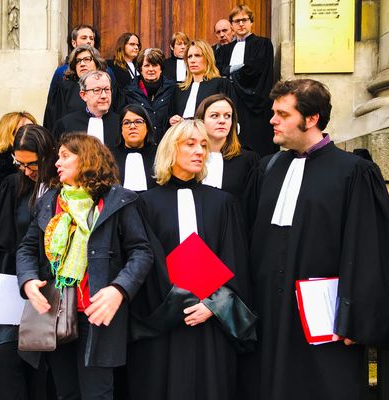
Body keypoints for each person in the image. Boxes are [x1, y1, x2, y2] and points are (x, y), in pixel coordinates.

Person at [242, 79, 389, 400]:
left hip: (326, 323)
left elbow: (370, 250)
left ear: (311, 118)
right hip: (270, 316)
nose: (272, 120)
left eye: (282, 114)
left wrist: (357, 319)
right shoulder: (267, 168)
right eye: (273, 112)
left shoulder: (353, 172)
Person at [16, 134, 153, 400]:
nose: (57, 162)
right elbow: (27, 248)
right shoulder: (50, 200)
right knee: (66, 393)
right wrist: (28, 280)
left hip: (98, 314)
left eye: (65, 155)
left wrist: (119, 289)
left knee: (97, 394)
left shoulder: (118, 200)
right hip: (55, 312)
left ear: (87, 158)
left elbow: (141, 252)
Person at [127, 119, 253, 400]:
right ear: (171, 150)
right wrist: (177, 303)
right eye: (191, 144)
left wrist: (213, 305)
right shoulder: (145, 204)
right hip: (163, 322)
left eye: (204, 145)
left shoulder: (223, 203)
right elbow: (146, 262)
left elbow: (235, 261)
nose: (200, 151)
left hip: (212, 320)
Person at [0, 125, 58, 400]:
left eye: (32, 164)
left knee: (43, 361)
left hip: (55, 284)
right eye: (20, 163)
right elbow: (6, 237)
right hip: (18, 280)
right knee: (3, 353)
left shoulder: (63, 186)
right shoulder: (16, 184)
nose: (26, 170)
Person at [216, 5, 276, 156]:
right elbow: (219, 69)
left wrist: (231, 73)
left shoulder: (263, 44)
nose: (241, 24)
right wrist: (239, 68)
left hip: (255, 102)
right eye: (237, 21)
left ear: (251, 22)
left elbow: (255, 70)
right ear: (232, 25)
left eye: (244, 20)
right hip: (232, 100)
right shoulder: (225, 50)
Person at [0, 111, 37, 246]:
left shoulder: (46, 165)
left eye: (33, 129)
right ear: (8, 135)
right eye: (22, 130)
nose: (30, 134)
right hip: (9, 248)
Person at [194, 94, 259, 198]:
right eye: (214, 115)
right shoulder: (190, 157)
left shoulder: (248, 160)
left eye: (227, 116)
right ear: (201, 120)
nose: (222, 121)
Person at [44, 45, 120, 130]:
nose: (82, 64)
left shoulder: (107, 83)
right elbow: (55, 120)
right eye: (78, 61)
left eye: (87, 59)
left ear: (96, 62)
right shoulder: (65, 87)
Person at [169, 40, 233, 126]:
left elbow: (229, 117)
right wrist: (172, 120)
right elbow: (170, 116)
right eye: (189, 57)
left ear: (207, 58)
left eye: (197, 55)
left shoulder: (221, 84)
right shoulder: (179, 89)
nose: (192, 60)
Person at [52, 70, 120, 151]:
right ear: (83, 95)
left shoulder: (121, 123)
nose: (104, 96)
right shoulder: (66, 124)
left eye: (107, 89)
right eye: (97, 90)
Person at [124, 48, 176, 142]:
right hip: (141, 145)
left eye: (155, 65)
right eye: (147, 65)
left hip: (166, 144)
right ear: (140, 69)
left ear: (161, 69)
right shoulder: (130, 91)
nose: (151, 69)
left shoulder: (172, 89)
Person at [111, 104, 158, 191]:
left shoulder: (159, 155)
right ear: (121, 129)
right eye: (127, 123)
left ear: (147, 127)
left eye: (138, 122)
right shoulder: (109, 157)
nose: (132, 126)